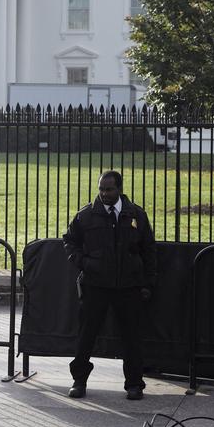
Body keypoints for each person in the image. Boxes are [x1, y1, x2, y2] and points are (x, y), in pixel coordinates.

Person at [63, 170, 156, 401]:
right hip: (96, 284)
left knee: (131, 337)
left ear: (119, 189)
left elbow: (149, 250)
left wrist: (147, 283)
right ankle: (79, 380)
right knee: (86, 335)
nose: (104, 193)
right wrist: (84, 262)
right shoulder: (85, 216)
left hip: (128, 285)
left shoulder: (136, 215)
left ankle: (134, 384)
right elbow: (69, 242)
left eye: (109, 189)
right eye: (101, 189)